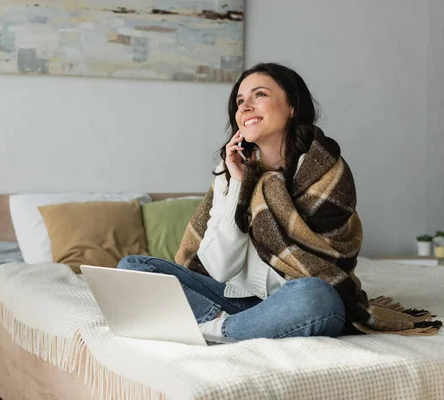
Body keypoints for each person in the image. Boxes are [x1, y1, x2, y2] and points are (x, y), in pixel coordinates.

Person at [118, 62, 441, 341]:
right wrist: (239, 188)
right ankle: (231, 326)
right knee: (133, 268)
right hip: (235, 299)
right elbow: (218, 270)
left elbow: (326, 268)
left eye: (260, 95)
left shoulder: (327, 172)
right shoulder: (229, 175)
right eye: (240, 100)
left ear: (292, 107)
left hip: (294, 299)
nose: (245, 107)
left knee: (318, 296)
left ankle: (213, 331)